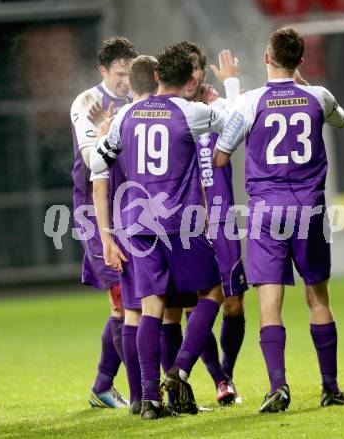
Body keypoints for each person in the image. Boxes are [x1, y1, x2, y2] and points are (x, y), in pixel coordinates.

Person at [91, 43, 240, 420]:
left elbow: (99, 162)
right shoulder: (192, 112)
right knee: (212, 292)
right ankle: (181, 370)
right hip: (179, 223)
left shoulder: (125, 116)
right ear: (191, 79)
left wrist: (106, 235)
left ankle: (150, 400)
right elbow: (237, 121)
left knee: (152, 307)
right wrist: (230, 90)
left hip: (136, 224)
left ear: (157, 77)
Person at [213, 27, 344, 413]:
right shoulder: (318, 95)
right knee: (319, 297)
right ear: (300, 62)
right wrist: (302, 84)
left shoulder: (251, 102)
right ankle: (330, 388)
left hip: (266, 212)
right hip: (309, 209)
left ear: (266, 58)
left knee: (270, 304)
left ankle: (279, 388)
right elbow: (340, 120)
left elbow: (222, 155)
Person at [159, 41, 246, 406]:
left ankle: (226, 370)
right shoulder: (174, 117)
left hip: (223, 223)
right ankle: (219, 380)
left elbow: (243, 120)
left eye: (198, 67)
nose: (194, 75)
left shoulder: (212, 112)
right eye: (189, 68)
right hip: (186, 225)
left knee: (233, 305)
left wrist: (229, 87)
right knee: (193, 307)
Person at [70, 36, 137, 408]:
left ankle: (102, 386)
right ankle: (145, 388)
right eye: (119, 74)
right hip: (94, 209)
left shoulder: (135, 100)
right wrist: (106, 131)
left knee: (131, 299)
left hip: (130, 207)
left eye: (130, 74)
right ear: (104, 71)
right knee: (122, 298)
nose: (125, 81)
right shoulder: (87, 102)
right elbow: (92, 157)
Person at [92, 55, 159, 416]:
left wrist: (107, 237)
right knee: (156, 310)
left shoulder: (118, 123)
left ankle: (138, 396)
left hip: (126, 225)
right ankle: (156, 392)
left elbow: (97, 178)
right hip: (161, 227)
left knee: (132, 311)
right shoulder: (167, 115)